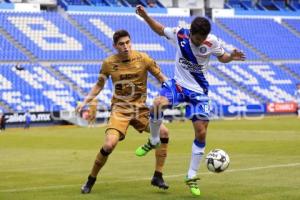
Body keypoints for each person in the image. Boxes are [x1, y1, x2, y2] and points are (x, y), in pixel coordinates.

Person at [135, 5, 246, 196]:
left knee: (201, 132)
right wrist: (145, 16)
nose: (200, 41)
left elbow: (223, 57)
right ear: (191, 33)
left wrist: (232, 57)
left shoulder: (212, 42)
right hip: (178, 84)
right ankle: (154, 139)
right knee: (157, 104)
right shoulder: (180, 35)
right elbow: (160, 29)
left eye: (203, 38)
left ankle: (191, 175)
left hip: (199, 91)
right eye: (197, 38)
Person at [76, 29, 170, 194]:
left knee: (163, 132)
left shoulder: (144, 58)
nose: (125, 46)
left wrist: (170, 94)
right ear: (115, 46)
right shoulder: (109, 63)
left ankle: (158, 175)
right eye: (121, 44)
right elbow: (99, 85)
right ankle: (90, 179)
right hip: (120, 110)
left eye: (128, 42)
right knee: (109, 144)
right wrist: (85, 101)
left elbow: (162, 78)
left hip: (140, 109)